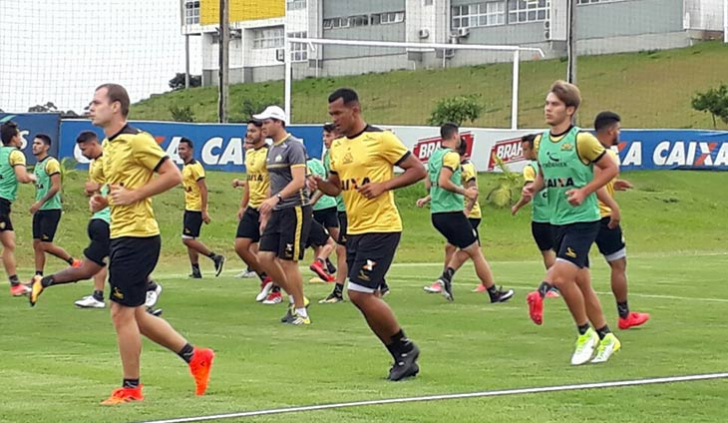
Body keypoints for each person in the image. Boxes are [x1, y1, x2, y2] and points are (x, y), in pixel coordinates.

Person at [71, 83, 213, 404]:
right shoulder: (110, 147)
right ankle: (195, 356)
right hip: (121, 234)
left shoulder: (137, 140)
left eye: (96, 102)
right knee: (134, 313)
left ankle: (131, 388)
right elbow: (117, 191)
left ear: (116, 107)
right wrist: (103, 201)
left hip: (139, 236)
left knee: (121, 312)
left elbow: (172, 175)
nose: (90, 107)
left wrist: (134, 195)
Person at [313, 88, 426, 381]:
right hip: (356, 229)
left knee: (358, 293)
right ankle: (402, 357)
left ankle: (405, 347)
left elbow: (418, 170)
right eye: (331, 115)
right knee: (367, 297)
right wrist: (319, 184)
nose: (334, 120)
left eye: (338, 114)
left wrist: (383, 186)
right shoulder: (336, 148)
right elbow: (336, 187)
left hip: (383, 227)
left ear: (355, 110)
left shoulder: (381, 139)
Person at [524, 80, 622, 365]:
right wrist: (535, 187)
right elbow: (544, 174)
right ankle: (605, 336)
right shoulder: (541, 141)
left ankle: (581, 331)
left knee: (562, 275)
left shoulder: (583, 140)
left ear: (570, 109)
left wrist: (584, 191)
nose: (548, 108)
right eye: (546, 103)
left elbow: (610, 168)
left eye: (554, 104)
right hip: (556, 221)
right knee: (578, 283)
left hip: (584, 220)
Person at [30, 131, 163, 313]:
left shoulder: (115, 156)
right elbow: (102, 193)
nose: (83, 153)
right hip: (106, 220)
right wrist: (94, 195)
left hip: (122, 224)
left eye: (84, 149)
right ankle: (134, 298)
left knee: (101, 270)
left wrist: (100, 189)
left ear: (94, 144)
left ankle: (136, 294)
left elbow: (125, 184)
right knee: (107, 265)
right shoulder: (95, 163)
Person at [419, 123, 514, 303]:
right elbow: (444, 181)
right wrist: (465, 193)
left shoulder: (434, 156)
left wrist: (429, 198)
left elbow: (429, 184)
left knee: (463, 248)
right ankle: (494, 293)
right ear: (455, 136)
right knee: (475, 251)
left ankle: (446, 278)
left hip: (437, 213)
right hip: (452, 212)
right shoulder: (452, 156)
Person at [253, 105, 312, 325]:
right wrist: (266, 213)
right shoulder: (271, 149)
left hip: (295, 208)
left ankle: (301, 313)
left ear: (278, 122)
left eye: (266, 122)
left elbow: (299, 180)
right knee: (265, 257)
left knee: (288, 261)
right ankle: (296, 298)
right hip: (277, 209)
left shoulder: (294, 146)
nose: (263, 127)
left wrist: (276, 200)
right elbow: (273, 183)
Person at [592, 111, 650, 330]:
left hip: (585, 218)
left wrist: (614, 184)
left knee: (574, 266)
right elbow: (594, 184)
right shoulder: (599, 153)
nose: (620, 133)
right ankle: (624, 316)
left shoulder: (591, 150)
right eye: (618, 129)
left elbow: (598, 180)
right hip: (602, 217)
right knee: (618, 264)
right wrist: (614, 206)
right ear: (610, 130)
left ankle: (543, 291)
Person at [232, 120, 276, 303]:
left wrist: (267, 207)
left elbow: (273, 182)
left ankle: (277, 291)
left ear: (262, 132)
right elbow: (250, 181)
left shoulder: (270, 153)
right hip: (252, 207)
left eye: (252, 131)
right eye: (247, 131)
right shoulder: (250, 153)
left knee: (270, 253)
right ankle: (266, 278)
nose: (249, 134)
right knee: (240, 246)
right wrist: (243, 205)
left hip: (266, 207)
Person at [30, 134, 81, 276]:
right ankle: (38, 275)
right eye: (34, 143)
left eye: (38, 143)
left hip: (51, 209)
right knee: (37, 244)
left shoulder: (51, 163)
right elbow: (40, 184)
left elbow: (55, 187)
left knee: (46, 244)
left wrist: (40, 202)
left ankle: (74, 262)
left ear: (46, 147)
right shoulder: (38, 165)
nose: (34, 146)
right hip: (40, 210)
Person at [178, 138, 225, 279]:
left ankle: (215, 257)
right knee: (190, 239)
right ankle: (196, 270)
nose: (181, 152)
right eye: (179, 149)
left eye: (183, 149)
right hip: (189, 207)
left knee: (186, 239)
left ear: (190, 150)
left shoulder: (195, 167)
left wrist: (204, 210)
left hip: (195, 208)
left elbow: (203, 189)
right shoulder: (186, 167)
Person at [0, 121, 37, 296]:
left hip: (3, 205)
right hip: (0, 202)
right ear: (14, 138)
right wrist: (32, 177)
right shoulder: (16, 154)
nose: (21, 139)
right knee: (8, 243)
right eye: (20, 135)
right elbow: (22, 177)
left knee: (9, 242)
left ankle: (15, 285)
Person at [319, 123, 348, 304]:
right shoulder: (326, 156)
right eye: (324, 136)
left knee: (343, 249)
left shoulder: (344, 153)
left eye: (328, 136)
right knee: (345, 248)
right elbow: (332, 184)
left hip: (352, 208)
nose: (325, 139)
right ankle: (378, 284)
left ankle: (338, 291)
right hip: (341, 208)